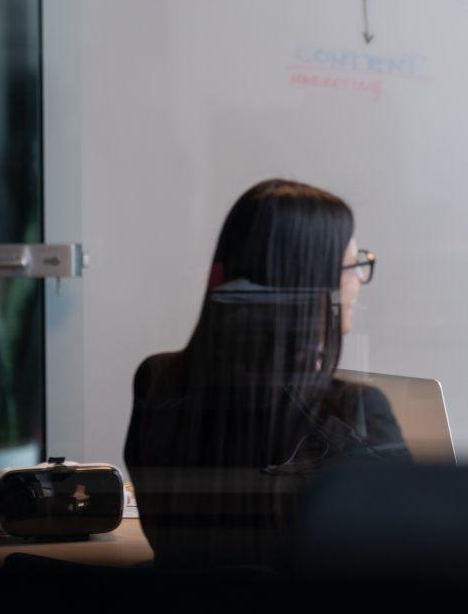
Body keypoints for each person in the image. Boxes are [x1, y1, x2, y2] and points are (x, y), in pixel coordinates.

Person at [124, 178, 409, 569]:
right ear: (311, 280)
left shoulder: (159, 381)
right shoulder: (350, 410)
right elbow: (404, 555)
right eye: (353, 266)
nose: (359, 283)